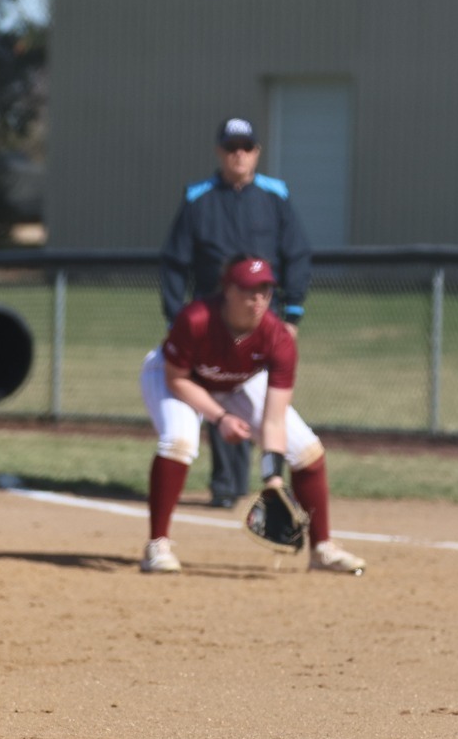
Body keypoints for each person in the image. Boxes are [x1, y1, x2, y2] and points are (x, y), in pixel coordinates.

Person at [139, 256, 366, 576]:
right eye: (249, 290)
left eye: (265, 291)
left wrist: (272, 478)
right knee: (179, 441)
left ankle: (321, 549)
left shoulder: (278, 338)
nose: (258, 299)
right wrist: (220, 419)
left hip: (237, 382)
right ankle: (156, 546)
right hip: (175, 377)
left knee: (306, 451)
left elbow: (274, 419)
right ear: (228, 290)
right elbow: (178, 379)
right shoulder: (196, 319)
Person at [160, 118, 313, 507]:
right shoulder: (198, 197)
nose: (238, 155)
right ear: (219, 152)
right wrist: (175, 317)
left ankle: (262, 480)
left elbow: (296, 254)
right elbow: (176, 262)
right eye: (231, 148)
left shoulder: (274, 195)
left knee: (262, 403)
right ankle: (226, 487)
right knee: (213, 397)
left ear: (257, 152)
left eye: (246, 147)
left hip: (261, 320)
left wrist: (292, 313)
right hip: (208, 321)